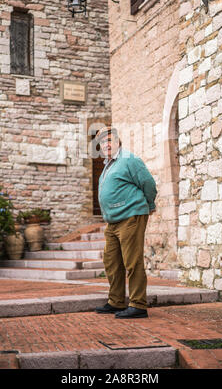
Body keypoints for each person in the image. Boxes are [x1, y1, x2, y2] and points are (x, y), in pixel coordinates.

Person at [94, 126, 157, 319]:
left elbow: (149, 184)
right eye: (103, 142)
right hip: (113, 222)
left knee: (132, 261)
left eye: (110, 140)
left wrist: (149, 204)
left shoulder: (129, 160)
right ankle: (116, 301)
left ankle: (138, 305)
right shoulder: (108, 165)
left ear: (118, 141)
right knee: (112, 262)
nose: (107, 144)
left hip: (131, 216)